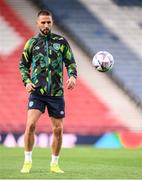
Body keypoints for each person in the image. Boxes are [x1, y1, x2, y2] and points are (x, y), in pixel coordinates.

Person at [19, 10, 77, 174]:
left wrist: (72, 77)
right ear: (37, 23)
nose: (46, 25)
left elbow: (71, 62)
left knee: (58, 130)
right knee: (30, 125)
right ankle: (27, 161)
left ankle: (54, 164)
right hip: (37, 92)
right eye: (43, 22)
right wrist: (27, 81)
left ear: (52, 23)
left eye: (48, 22)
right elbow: (23, 65)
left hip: (56, 94)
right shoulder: (31, 43)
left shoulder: (61, 42)